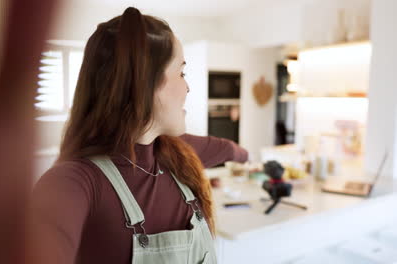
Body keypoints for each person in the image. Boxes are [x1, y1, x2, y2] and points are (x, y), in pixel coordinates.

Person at [29, 7, 248, 264]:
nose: (187, 87)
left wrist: (250, 158)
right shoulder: (75, 181)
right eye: (181, 72)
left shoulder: (178, 151)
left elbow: (230, 150)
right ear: (145, 82)